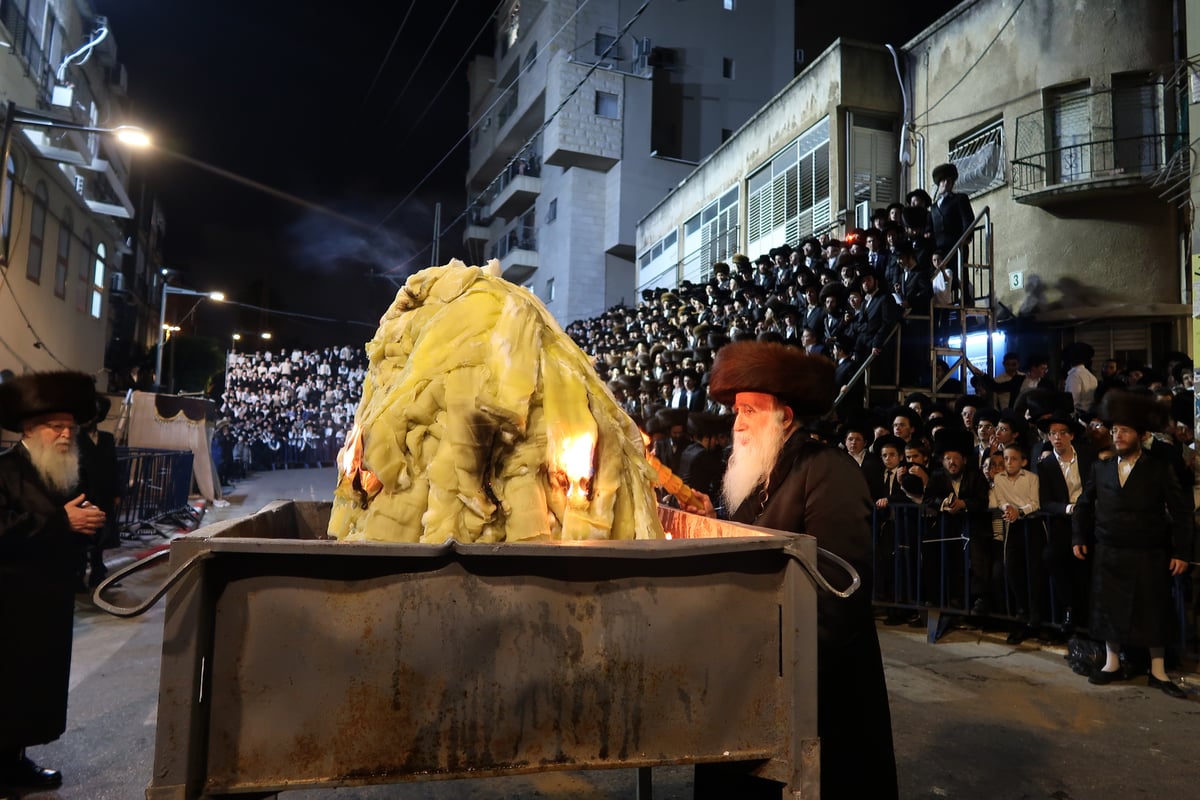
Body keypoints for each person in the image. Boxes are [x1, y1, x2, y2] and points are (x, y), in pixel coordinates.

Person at [705, 340, 897, 800]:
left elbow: (840, 587)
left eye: (749, 410)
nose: (738, 424)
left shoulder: (827, 469)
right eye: (736, 411)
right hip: (758, 662)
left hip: (816, 675)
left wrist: (789, 665)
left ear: (785, 417)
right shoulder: (765, 472)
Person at [0, 371, 108, 796]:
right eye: (55, 426)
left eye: (70, 427)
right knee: (7, 685)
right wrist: (63, 521)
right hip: (9, 599)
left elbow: (84, 520)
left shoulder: (68, 469)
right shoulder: (5, 470)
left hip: (49, 600)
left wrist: (92, 527)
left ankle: (15, 761)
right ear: (30, 428)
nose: (66, 434)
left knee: (34, 687)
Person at [1072, 390, 1194, 699]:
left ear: (1141, 434)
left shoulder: (1158, 467)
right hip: (1109, 550)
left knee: (1154, 610)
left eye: (1124, 431)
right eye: (1114, 431)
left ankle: (1158, 671)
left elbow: (1181, 511)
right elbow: (1084, 505)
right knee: (1109, 609)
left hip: (1149, 551)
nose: (1117, 435)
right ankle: (1111, 664)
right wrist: (1078, 537)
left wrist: (1181, 551)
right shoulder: (1101, 468)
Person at [75, 396, 120, 590]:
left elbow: (114, 467)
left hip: (104, 495)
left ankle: (98, 574)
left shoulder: (107, 439)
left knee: (102, 536)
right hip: (84, 495)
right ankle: (77, 577)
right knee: (83, 539)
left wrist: (117, 492)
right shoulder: (76, 440)